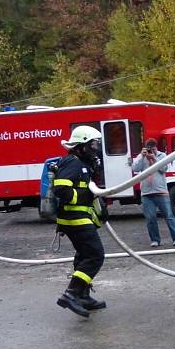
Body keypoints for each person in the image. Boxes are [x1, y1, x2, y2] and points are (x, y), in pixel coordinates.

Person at [52, 125, 108, 318]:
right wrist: (84, 197)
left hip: (79, 218)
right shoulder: (72, 163)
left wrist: (101, 209)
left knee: (84, 255)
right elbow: (61, 190)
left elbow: (89, 190)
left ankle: (82, 295)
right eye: (93, 144)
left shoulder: (84, 164)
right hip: (74, 219)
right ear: (81, 146)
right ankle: (71, 293)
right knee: (95, 255)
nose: (96, 148)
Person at [131, 138, 175, 247]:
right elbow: (135, 168)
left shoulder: (162, 156)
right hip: (146, 193)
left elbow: (164, 168)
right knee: (150, 218)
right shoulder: (142, 156)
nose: (151, 150)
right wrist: (141, 156)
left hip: (161, 191)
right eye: (149, 148)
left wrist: (154, 157)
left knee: (169, 216)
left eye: (153, 148)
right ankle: (155, 240)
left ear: (156, 147)